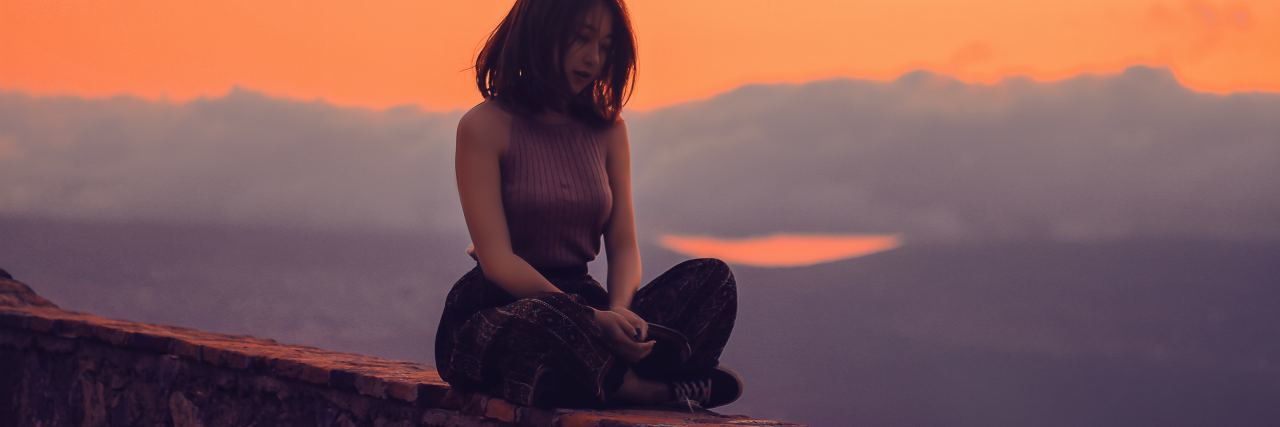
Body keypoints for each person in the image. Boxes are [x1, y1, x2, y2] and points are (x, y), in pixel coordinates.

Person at [434, 0, 743, 411]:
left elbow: (623, 247)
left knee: (714, 280)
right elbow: (497, 260)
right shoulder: (483, 127)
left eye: (604, 45)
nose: (592, 58)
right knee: (545, 317)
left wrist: (618, 313)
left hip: (587, 301)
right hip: (503, 308)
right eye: (580, 39)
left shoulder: (609, 130)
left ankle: (604, 373)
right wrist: (592, 322)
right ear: (539, 33)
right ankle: (644, 389)